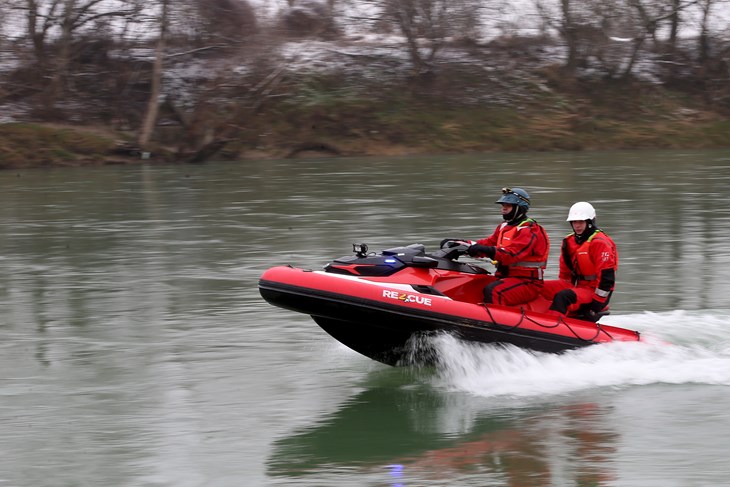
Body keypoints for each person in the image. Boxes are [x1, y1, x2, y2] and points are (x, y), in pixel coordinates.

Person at [444, 187, 550, 306]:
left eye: (508, 206)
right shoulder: (503, 227)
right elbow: (488, 243)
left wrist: (484, 249)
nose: (503, 208)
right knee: (472, 282)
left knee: (495, 291)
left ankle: (494, 322)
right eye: (503, 205)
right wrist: (461, 244)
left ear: (519, 208)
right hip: (505, 277)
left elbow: (511, 255)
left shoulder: (530, 230)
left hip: (528, 282)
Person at [542, 201, 618, 322]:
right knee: (536, 287)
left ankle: (548, 326)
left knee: (563, 296)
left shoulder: (600, 243)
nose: (577, 225)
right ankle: (530, 317)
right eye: (574, 222)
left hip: (593, 291)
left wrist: (597, 304)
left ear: (590, 222)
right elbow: (565, 276)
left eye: (581, 222)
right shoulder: (568, 242)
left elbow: (606, 279)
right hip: (576, 286)